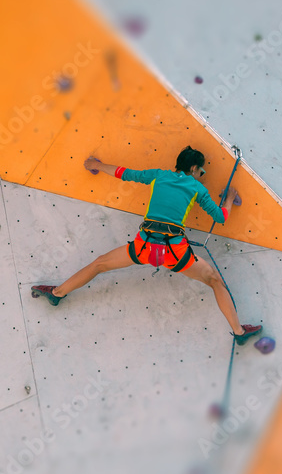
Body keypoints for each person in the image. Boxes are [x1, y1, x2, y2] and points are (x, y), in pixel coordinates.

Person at [31, 146, 263, 345]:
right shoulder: (197, 188)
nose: (202, 175)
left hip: (144, 248)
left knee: (99, 264)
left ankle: (57, 293)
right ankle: (239, 332)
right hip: (175, 253)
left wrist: (96, 165)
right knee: (214, 280)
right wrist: (230, 199)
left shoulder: (158, 175)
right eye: (202, 170)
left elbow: (124, 173)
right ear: (193, 169)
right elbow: (221, 218)